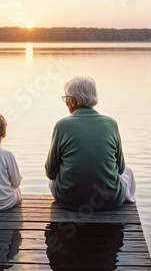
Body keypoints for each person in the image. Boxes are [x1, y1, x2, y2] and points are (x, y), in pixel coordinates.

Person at [45, 76, 136, 211]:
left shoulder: (62, 126)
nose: (66, 102)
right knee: (128, 172)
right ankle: (128, 205)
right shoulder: (111, 123)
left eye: (66, 98)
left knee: (54, 179)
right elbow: (121, 168)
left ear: (73, 101)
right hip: (109, 200)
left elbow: (50, 172)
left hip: (69, 201)